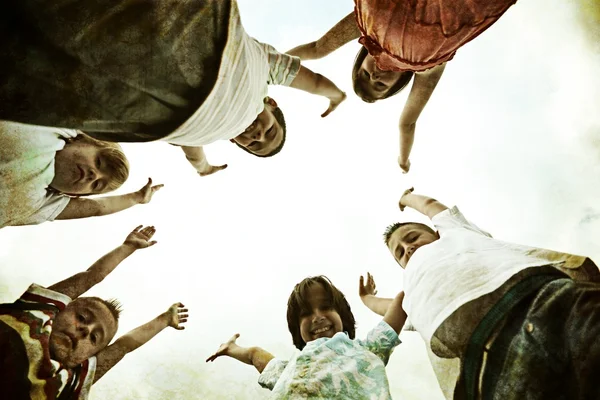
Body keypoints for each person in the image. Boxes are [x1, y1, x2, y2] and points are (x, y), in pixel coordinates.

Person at [0, 0, 346, 177]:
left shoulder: (208, 134)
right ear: (271, 103)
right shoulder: (263, 76)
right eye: (269, 131)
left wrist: (203, 167)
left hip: (155, 109)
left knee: (52, 77)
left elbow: (192, 149)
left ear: (233, 140)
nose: (256, 135)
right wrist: (333, 94)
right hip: (211, 39)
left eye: (252, 144)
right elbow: (308, 78)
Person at [382, 187, 600, 399]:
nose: (407, 248)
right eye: (400, 252)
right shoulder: (412, 290)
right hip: (488, 363)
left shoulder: (453, 232)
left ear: (437, 233)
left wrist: (407, 198)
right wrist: (367, 299)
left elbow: (431, 206)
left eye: (412, 238)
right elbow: (393, 309)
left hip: (542, 299)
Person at [287, 1, 519, 173]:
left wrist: (268, 65)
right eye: (379, 84)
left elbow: (317, 49)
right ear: (399, 83)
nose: (375, 75)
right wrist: (403, 160)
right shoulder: (427, 66)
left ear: (361, 60)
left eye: (365, 74)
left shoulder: (367, 27)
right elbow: (406, 123)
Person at [0, 225, 188, 400]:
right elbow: (90, 277)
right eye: (82, 317)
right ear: (58, 310)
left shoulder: (66, 382)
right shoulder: (33, 316)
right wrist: (127, 247)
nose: (85, 330)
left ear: (85, 358)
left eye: (94, 338)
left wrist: (164, 320)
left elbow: (123, 346)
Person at [206, 275, 406, 399]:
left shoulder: (366, 350)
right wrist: (230, 348)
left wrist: (367, 298)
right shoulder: (291, 369)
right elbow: (255, 356)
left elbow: (402, 304)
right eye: (305, 313)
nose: (317, 317)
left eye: (326, 307)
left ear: (343, 316)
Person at [0, 122, 162, 228]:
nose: (94, 175)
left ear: (72, 194)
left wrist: (135, 198)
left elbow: (97, 208)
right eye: (98, 162)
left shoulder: (41, 205)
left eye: (97, 185)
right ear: (82, 140)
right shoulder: (52, 126)